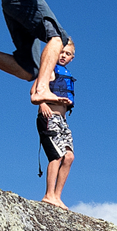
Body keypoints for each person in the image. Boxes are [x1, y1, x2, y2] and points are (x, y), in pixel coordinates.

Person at [35, 41, 77, 206]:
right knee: (56, 155)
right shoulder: (49, 71)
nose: (63, 56)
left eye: (67, 54)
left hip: (62, 120)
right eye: (61, 52)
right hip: (49, 116)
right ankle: (49, 194)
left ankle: (57, 196)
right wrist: (42, 104)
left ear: (71, 58)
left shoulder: (65, 73)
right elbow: (35, 90)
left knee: (69, 157)